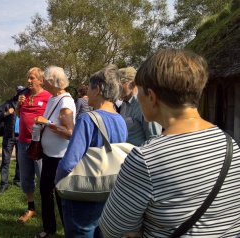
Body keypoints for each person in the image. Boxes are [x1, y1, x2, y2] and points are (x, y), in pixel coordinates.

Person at [99, 49, 240, 237]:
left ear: (151, 96)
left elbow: (113, 228)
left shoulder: (145, 159)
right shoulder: (230, 144)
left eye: (139, 90)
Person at [55, 64, 128, 238]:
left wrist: (57, 182)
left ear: (97, 89)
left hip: (84, 195)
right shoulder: (121, 120)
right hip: (109, 192)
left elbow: (69, 162)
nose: (86, 91)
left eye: (88, 87)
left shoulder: (88, 119)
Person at [33, 66, 76, 238]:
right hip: (49, 155)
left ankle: (68, 231)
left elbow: (70, 134)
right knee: (45, 191)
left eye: (45, 79)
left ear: (52, 81)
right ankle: (49, 228)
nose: (43, 82)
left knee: (61, 196)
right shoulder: (53, 98)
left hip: (60, 158)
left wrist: (47, 122)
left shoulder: (65, 102)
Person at [16, 67, 52, 223]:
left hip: (40, 144)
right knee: (25, 178)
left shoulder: (48, 97)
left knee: (43, 177)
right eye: (28, 78)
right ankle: (31, 208)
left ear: (41, 80)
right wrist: (18, 105)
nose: (29, 81)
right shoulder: (24, 96)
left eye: (32, 78)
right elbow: (20, 115)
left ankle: (48, 209)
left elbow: (52, 119)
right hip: (23, 143)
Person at [119, 67, 162, 146]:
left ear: (133, 84)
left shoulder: (144, 104)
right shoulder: (124, 104)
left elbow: (153, 137)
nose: (117, 87)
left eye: (120, 83)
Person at [0, 85, 26, 193]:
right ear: (15, 92)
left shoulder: (26, 103)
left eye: (22, 92)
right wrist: (7, 113)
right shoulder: (8, 103)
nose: (20, 94)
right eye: (18, 91)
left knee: (20, 161)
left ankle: (18, 180)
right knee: (5, 161)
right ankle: (4, 183)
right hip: (9, 136)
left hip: (21, 136)